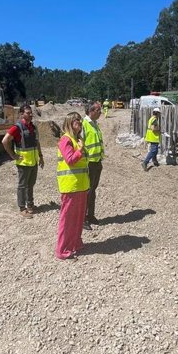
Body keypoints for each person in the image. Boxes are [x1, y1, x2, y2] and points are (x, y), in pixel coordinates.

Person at [55, 112, 89, 260]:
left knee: (78, 218)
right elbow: (70, 160)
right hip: (70, 186)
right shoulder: (65, 140)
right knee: (67, 219)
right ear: (69, 122)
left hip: (80, 185)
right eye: (77, 121)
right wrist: (80, 150)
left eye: (80, 121)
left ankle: (75, 243)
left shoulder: (78, 139)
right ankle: (62, 250)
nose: (80, 123)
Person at [2, 104, 44, 219]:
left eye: (31, 113)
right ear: (21, 114)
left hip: (33, 162)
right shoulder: (17, 127)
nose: (31, 115)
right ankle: (22, 208)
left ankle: (30, 205)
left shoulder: (33, 127)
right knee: (22, 186)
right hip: (23, 163)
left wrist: (41, 156)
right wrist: (13, 156)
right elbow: (5, 141)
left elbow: (37, 143)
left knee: (30, 185)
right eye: (28, 113)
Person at [82, 101, 104, 229]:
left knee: (92, 190)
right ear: (90, 111)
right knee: (87, 191)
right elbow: (81, 145)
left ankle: (91, 215)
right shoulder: (84, 124)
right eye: (98, 110)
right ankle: (83, 218)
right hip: (89, 163)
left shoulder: (95, 124)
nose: (100, 112)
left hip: (97, 162)